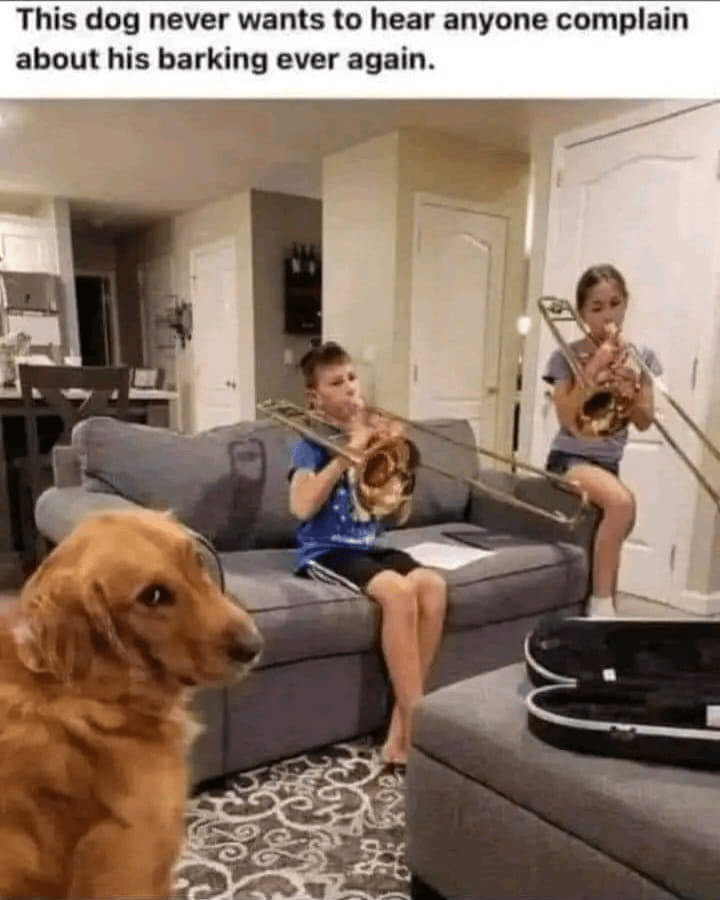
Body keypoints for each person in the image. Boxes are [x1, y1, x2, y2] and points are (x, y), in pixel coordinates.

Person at [288, 341, 447, 766]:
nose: (350, 388)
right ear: (314, 398)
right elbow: (300, 506)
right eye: (336, 383)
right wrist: (345, 455)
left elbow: (397, 514)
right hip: (325, 552)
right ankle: (420, 728)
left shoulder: (375, 438)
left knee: (433, 586)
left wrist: (398, 462)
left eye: (352, 378)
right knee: (397, 592)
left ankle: (400, 732)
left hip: (369, 546)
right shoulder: (310, 443)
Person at [543, 264, 662, 618]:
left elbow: (644, 422)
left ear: (625, 304)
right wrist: (595, 365)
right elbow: (567, 419)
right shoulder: (564, 356)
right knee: (622, 504)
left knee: (615, 528)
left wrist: (632, 390)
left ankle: (603, 610)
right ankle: (602, 609)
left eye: (615, 304)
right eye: (596, 308)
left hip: (609, 465)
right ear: (582, 314)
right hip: (570, 459)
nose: (608, 316)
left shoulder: (641, 357)